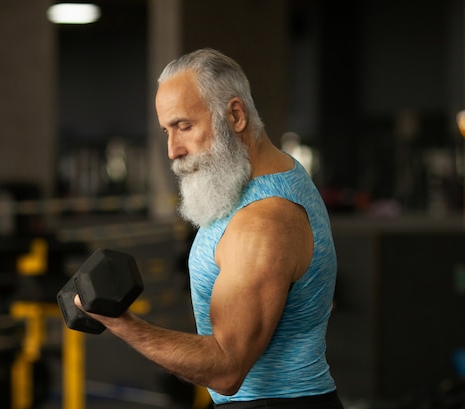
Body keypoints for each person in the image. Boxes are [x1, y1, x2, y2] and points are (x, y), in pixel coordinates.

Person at [75, 48, 343, 408]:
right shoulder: (256, 177)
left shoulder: (264, 223)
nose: (173, 150)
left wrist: (122, 323)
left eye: (185, 126)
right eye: (167, 130)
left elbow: (227, 369)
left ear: (235, 115)